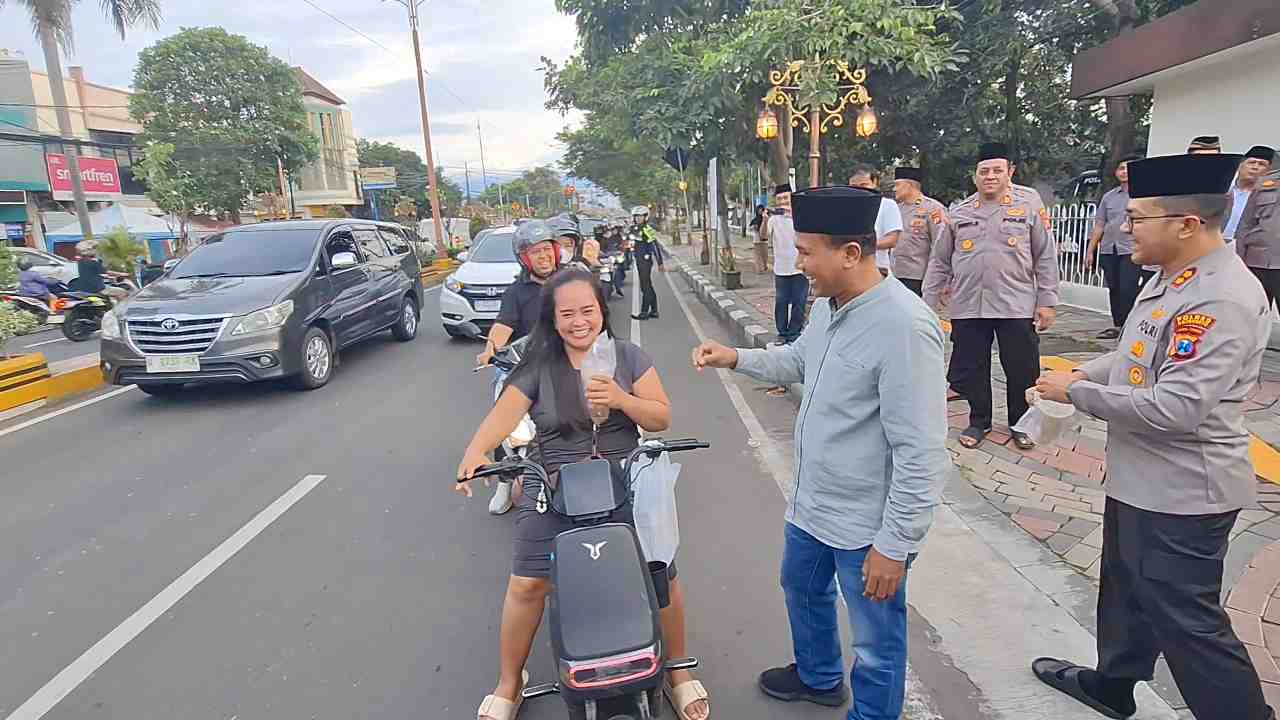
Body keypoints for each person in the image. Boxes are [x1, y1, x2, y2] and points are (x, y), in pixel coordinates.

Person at [1031, 152, 1276, 720]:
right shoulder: (1173, 275)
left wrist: (1076, 395)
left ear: (1186, 223)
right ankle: (1112, 685)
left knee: (1187, 621)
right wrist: (1081, 373)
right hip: (1141, 475)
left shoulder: (1221, 297)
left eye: (1138, 217)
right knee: (1124, 591)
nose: (1123, 226)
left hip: (1186, 490)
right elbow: (1137, 351)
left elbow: (1177, 407)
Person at [692, 185, 947, 720]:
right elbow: (796, 363)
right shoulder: (831, 307)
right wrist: (735, 356)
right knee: (802, 588)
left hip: (867, 524)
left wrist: (896, 544)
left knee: (876, 639)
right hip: (813, 505)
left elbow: (921, 451)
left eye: (807, 251)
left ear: (851, 253)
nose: (798, 260)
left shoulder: (904, 326)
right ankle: (819, 676)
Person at [456, 267, 709, 720]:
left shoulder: (629, 357)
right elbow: (501, 416)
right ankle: (510, 681)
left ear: (601, 312)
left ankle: (677, 670)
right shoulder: (536, 366)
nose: (579, 322)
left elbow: (660, 418)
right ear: (553, 320)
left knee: (661, 573)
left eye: (587, 311)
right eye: (567, 313)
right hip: (551, 481)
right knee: (528, 583)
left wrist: (621, 399)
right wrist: (473, 454)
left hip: (624, 478)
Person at [923, 141, 1059, 450]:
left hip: (1016, 303)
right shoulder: (959, 213)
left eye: (997, 170)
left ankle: (1021, 424)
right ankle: (978, 421)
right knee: (973, 366)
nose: (990, 176)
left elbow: (1045, 256)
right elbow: (940, 260)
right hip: (969, 305)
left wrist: (1047, 301)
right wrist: (928, 304)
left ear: (1009, 172)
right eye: (984, 171)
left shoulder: (1027, 206)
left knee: (1022, 367)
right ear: (975, 176)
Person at [477, 220, 562, 515]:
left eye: (548, 249)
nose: (544, 256)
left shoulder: (570, 281)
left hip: (568, 361)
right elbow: (503, 325)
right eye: (536, 252)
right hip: (526, 366)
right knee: (502, 405)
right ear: (524, 258)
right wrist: (491, 349)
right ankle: (505, 479)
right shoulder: (516, 292)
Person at [1085, 155, 1143, 339]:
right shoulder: (1109, 197)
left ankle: (1131, 325)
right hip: (1110, 249)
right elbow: (1100, 225)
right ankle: (1118, 325)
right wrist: (1090, 250)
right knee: (1114, 288)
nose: (1124, 171)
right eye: (1121, 168)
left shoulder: (1143, 195)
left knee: (1128, 288)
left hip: (1131, 249)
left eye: (1128, 168)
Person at [891, 166, 948, 297]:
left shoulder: (933, 208)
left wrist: (940, 279)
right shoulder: (896, 209)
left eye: (897, 184)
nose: (894, 189)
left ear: (910, 185)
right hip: (895, 274)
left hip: (919, 277)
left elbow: (941, 245)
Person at [1236, 149, 1280, 309]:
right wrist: (1239, 259)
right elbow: (1246, 223)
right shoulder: (1264, 185)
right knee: (1255, 311)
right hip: (1257, 260)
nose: (1255, 167)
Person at [768, 183, 808, 345]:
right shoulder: (773, 219)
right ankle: (782, 333)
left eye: (785, 197)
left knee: (800, 302)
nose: (782, 201)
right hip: (781, 269)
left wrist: (792, 214)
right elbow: (764, 236)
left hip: (801, 268)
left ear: (792, 197)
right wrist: (764, 219)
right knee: (781, 302)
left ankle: (794, 334)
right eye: (779, 199)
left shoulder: (802, 215)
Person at [848, 166, 902, 277]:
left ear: (874, 183)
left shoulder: (887, 205)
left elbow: (892, 240)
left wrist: (862, 246)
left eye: (864, 185)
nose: (859, 190)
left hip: (877, 270)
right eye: (854, 186)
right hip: (848, 270)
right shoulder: (845, 207)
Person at [1225, 146, 1274, 242]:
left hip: (1244, 247)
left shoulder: (1267, 198)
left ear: (1267, 171)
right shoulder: (1223, 189)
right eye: (1251, 162)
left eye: (1261, 164)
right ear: (1240, 165)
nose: (1255, 167)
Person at [630, 205, 665, 321]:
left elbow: (655, 246)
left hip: (645, 261)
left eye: (640, 217)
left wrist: (660, 262)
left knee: (645, 287)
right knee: (647, 286)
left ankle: (644, 312)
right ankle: (654, 311)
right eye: (636, 217)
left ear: (645, 217)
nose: (637, 219)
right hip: (638, 260)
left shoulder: (647, 229)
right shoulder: (635, 229)